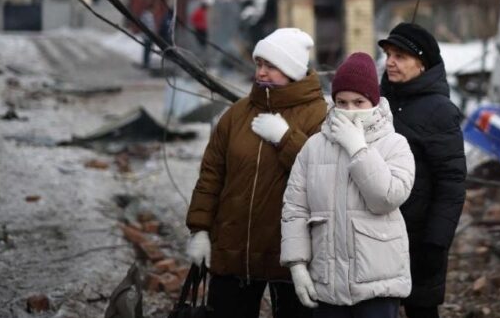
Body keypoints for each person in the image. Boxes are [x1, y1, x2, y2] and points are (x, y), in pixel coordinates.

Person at [185, 28, 327, 318]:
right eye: (259, 64)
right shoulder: (237, 114)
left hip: (291, 257)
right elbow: (211, 175)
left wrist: (287, 139)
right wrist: (199, 229)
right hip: (234, 251)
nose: (261, 73)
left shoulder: (320, 115)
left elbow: (323, 179)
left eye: (271, 66)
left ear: (292, 69)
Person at [281, 52, 415, 318]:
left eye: (358, 102)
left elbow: (386, 198)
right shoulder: (314, 147)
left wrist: (358, 149)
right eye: (341, 102)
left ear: (374, 102)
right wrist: (297, 266)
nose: (350, 111)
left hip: (378, 285)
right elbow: (295, 208)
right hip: (327, 283)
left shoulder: (395, 144)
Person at [378, 23, 467, 318]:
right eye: (389, 54)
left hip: (420, 239)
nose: (390, 61)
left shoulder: (440, 111)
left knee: (421, 310)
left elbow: (451, 182)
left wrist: (436, 242)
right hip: (376, 233)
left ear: (422, 64)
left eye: (400, 56)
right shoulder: (377, 103)